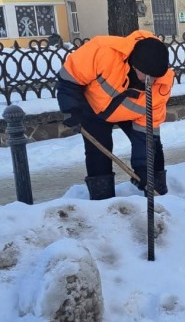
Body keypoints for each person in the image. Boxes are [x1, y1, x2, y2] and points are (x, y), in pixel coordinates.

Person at [56, 31, 174, 200]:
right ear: (135, 65)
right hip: (93, 107)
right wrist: (72, 110)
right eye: (148, 76)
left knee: (153, 149)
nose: (152, 81)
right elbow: (68, 78)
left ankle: (158, 195)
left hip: (131, 113)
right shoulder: (103, 50)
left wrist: (143, 168)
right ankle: (102, 200)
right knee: (98, 153)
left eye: (156, 76)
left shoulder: (162, 85)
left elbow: (146, 133)